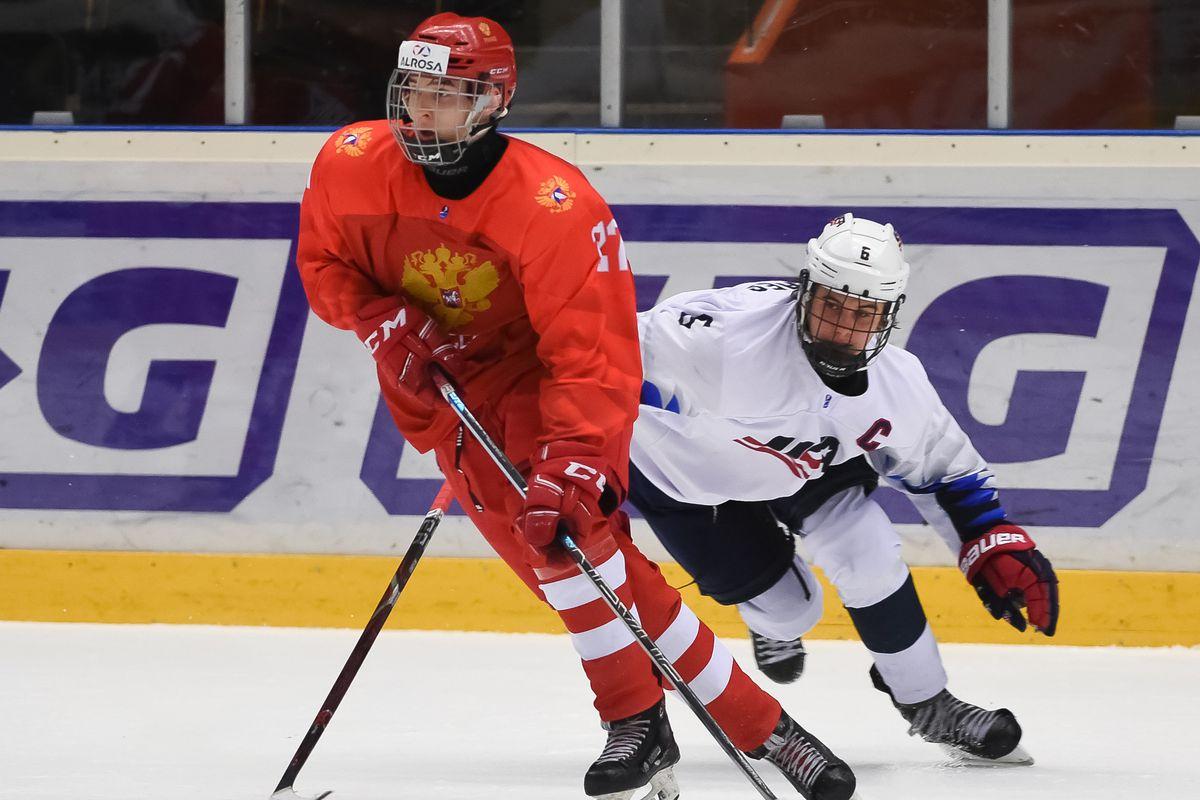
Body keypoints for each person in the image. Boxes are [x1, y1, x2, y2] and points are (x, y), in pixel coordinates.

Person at [296, 13, 858, 800]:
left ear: (493, 100)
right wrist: (382, 321)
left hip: (537, 386)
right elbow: (323, 264)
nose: (422, 110)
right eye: (413, 88)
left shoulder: (555, 207)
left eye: (446, 93)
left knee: (566, 544)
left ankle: (644, 723)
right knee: (600, 578)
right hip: (441, 401)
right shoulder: (351, 163)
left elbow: (590, 357)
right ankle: (764, 731)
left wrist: (573, 461)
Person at [630, 213, 1060, 763]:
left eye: (863, 312)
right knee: (791, 611)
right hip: (684, 473)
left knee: (868, 546)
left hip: (804, 461)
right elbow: (592, 355)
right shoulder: (713, 337)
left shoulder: (895, 386)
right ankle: (775, 618)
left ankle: (928, 703)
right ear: (804, 291)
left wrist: (988, 540)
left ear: (889, 314)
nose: (842, 326)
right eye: (831, 303)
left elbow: (949, 473)